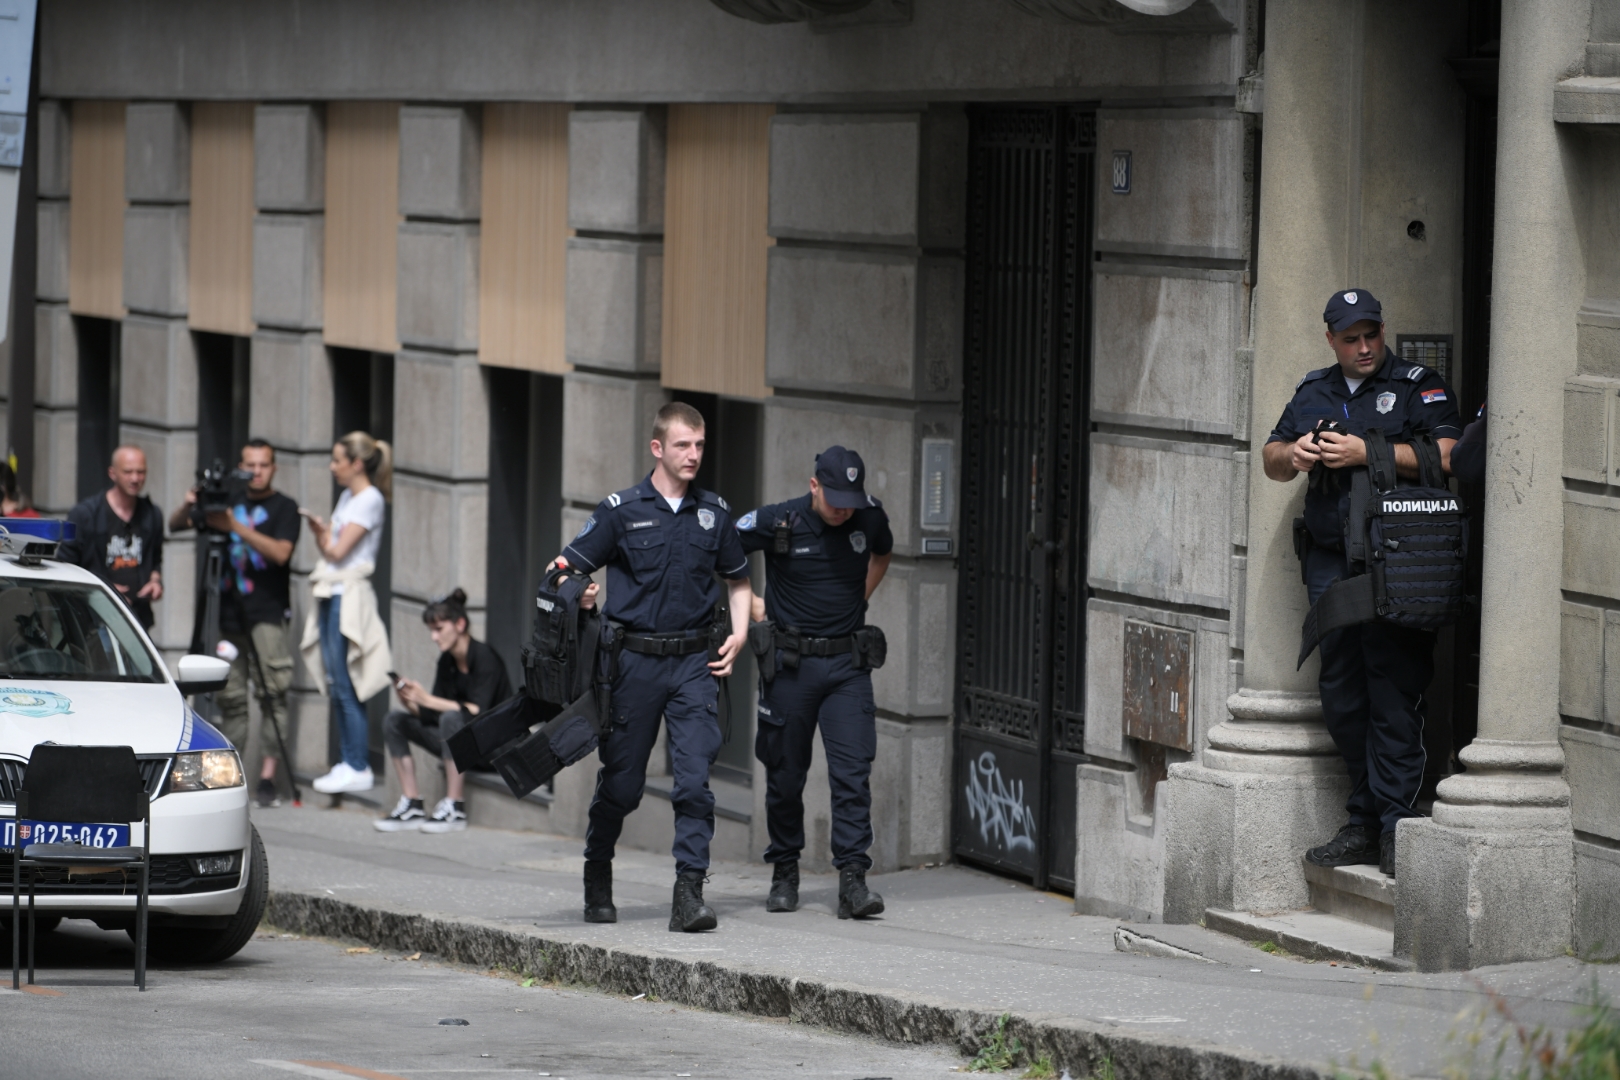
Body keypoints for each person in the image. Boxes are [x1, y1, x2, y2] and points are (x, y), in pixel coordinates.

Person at [1263, 289, 1461, 877]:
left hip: (1398, 558)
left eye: (1371, 334)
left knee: (1393, 687)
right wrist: (1294, 453)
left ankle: (1397, 822)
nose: (1365, 346)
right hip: (1330, 559)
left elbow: (1451, 455)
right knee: (1343, 692)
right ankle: (1365, 819)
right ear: (1332, 340)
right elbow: (1270, 457)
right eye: (1351, 338)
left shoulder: (1418, 385)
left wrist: (1363, 451)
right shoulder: (1313, 389)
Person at [554, 401, 751, 932]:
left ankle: (689, 893)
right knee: (623, 785)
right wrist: (584, 597)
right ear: (658, 448)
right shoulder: (622, 509)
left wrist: (739, 634)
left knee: (693, 783)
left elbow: (737, 579)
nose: (694, 455)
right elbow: (563, 570)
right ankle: (598, 872)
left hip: (693, 663)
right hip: (632, 664)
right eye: (683, 445)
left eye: (700, 445)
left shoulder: (714, 512)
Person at [737, 446, 893, 919]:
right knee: (785, 777)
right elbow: (723, 549)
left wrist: (856, 600)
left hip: (847, 666)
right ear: (813, 486)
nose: (844, 507)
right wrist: (755, 608)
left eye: (852, 496)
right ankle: (785, 870)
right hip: (791, 666)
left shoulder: (867, 517)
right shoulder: (779, 521)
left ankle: (853, 881)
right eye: (835, 497)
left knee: (852, 776)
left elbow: (883, 553)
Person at [168, 439, 301, 808]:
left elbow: (280, 553)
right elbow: (176, 524)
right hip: (224, 616)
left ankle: (268, 779)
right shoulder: (224, 500)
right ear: (239, 467)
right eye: (249, 465)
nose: (256, 472)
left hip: (266, 613)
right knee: (232, 699)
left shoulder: (284, 507)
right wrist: (190, 503)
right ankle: (231, 775)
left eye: (263, 465)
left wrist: (233, 527)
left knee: (273, 693)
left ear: (274, 468)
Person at [300, 432, 394, 796]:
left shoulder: (369, 499)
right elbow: (331, 550)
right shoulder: (348, 496)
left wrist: (325, 536)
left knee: (346, 682)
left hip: (347, 595)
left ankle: (357, 764)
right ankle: (348, 760)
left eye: (338, 460)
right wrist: (320, 532)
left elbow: (338, 553)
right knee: (336, 680)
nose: (332, 466)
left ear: (356, 463)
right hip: (332, 590)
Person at [375, 588, 513, 833]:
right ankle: (413, 804)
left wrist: (426, 699)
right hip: (461, 745)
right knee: (394, 720)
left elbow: (477, 711)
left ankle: (455, 807)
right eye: (431, 630)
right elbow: (432, 714)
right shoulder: (447, 661)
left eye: (439, 629)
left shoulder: (485, 657)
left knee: (451, 718)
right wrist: (411, 700)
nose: (434, 637)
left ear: (459, 624)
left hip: (495, 748)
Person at [60, 446, 164, 630]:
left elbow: (156, 559)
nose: (135, 478)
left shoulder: (152, 514)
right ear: (112, 473)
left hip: (136, 619)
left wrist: (155, 582)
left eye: (140, 472)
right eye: (128, 472)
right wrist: (103, 589)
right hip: (94, 619)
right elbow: (65, 566)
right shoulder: (85, 515)